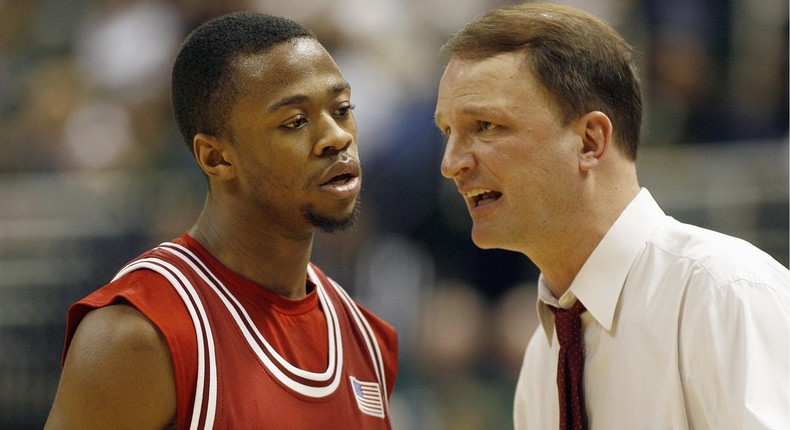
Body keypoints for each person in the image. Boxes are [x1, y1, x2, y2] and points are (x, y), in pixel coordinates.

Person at [433, 3, 789, 429]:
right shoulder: (541, 361)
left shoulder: (722, 294)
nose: (451, 163)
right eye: (447, 132)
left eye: (486, 126)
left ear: (589, 141)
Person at [45, 12, 398, 429]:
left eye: (341, 109)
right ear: (216, 157)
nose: (337, 137)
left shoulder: (367, 337)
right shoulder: (138, 335)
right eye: (296, 122)